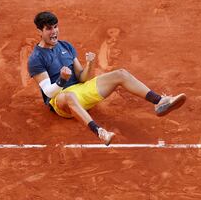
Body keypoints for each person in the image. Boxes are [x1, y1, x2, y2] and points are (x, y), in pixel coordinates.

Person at [28, 11, 186, 145]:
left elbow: (83, 78)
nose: (54, 32)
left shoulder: (66, 46)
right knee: (69, 95)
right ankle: (100, 132)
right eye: (49, 29)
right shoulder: (36, 59)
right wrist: (62, 80)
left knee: (121, 74)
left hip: (81, 91)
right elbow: (49, 92)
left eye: (55, 27)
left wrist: (90, 64)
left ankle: (160, 102)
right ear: (39, 31)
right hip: (61, 101)